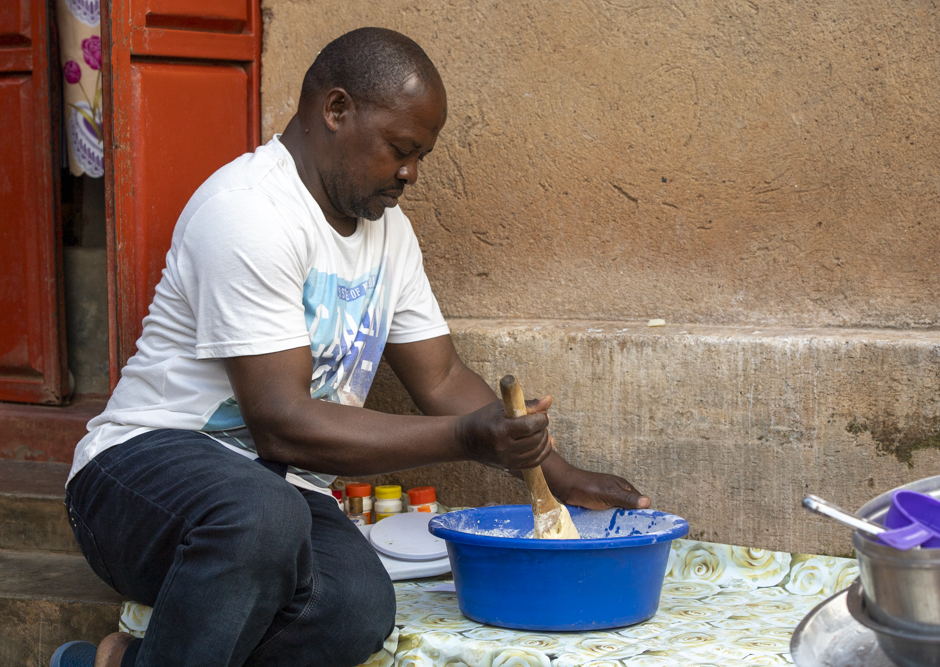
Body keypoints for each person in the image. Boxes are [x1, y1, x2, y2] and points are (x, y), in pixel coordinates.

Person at [51, 27, 650, 667]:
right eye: (400, 148)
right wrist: (467, 439)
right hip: (141, 478)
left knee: (357, 609)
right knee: (262, 517)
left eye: (421, 155)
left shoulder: (387, 232)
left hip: (276, 499)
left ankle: (125, 663)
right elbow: (282, 425)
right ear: (336, 111)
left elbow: (443, 377)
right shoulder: (248, 210)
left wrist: (557, 479)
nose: (410, 173)